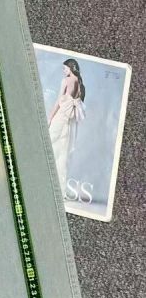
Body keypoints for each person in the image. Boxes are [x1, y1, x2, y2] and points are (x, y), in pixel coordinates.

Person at [48, 58, 86, 197]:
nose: (63, 71)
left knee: (50, 146)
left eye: (65, 68)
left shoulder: (66, 81)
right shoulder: (80, 83)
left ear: (70, 68)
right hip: (70, 122)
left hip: (60, 118)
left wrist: (50, 117)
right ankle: (60, 191)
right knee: (62, 155)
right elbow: (78, 103)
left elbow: (58, 102)